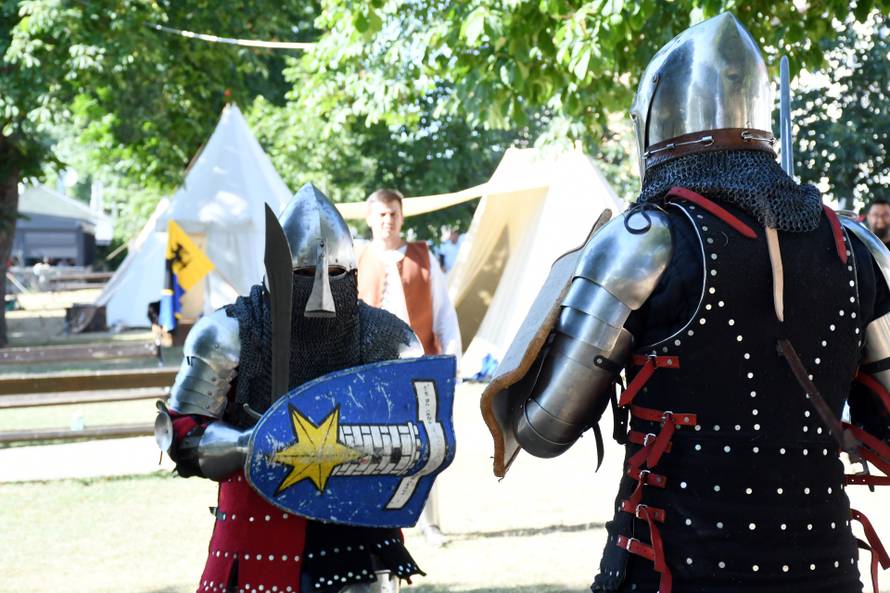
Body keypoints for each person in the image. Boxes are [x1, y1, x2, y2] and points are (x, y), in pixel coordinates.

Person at [484, 13, 890, 593]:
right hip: (822, 571)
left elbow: (544, 432)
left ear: (656, 122)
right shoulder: (857, 248)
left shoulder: (643, 243)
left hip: (678, 569)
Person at [156, 184, 426, 593]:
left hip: (356, 533)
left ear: (352, 273)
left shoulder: (389, 340)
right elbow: (181, 433)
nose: (321, 296)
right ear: (277, 273)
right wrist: (249, 443)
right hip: (258, 530)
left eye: (334, 274)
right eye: (302, 274)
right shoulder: (229, 333)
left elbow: (418, 433)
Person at [357, 188, 462, 545]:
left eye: (393, 214)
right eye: (381, 214)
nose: (387, 220)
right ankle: (381, 524)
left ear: (402, 217)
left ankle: (429, 523)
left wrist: (451, 360)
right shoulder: (357, 258)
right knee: (376, 448)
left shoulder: (423, 256)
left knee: (427, 447)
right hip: (374, 369)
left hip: (422, 367)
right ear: (370, 218)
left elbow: (444, 313)